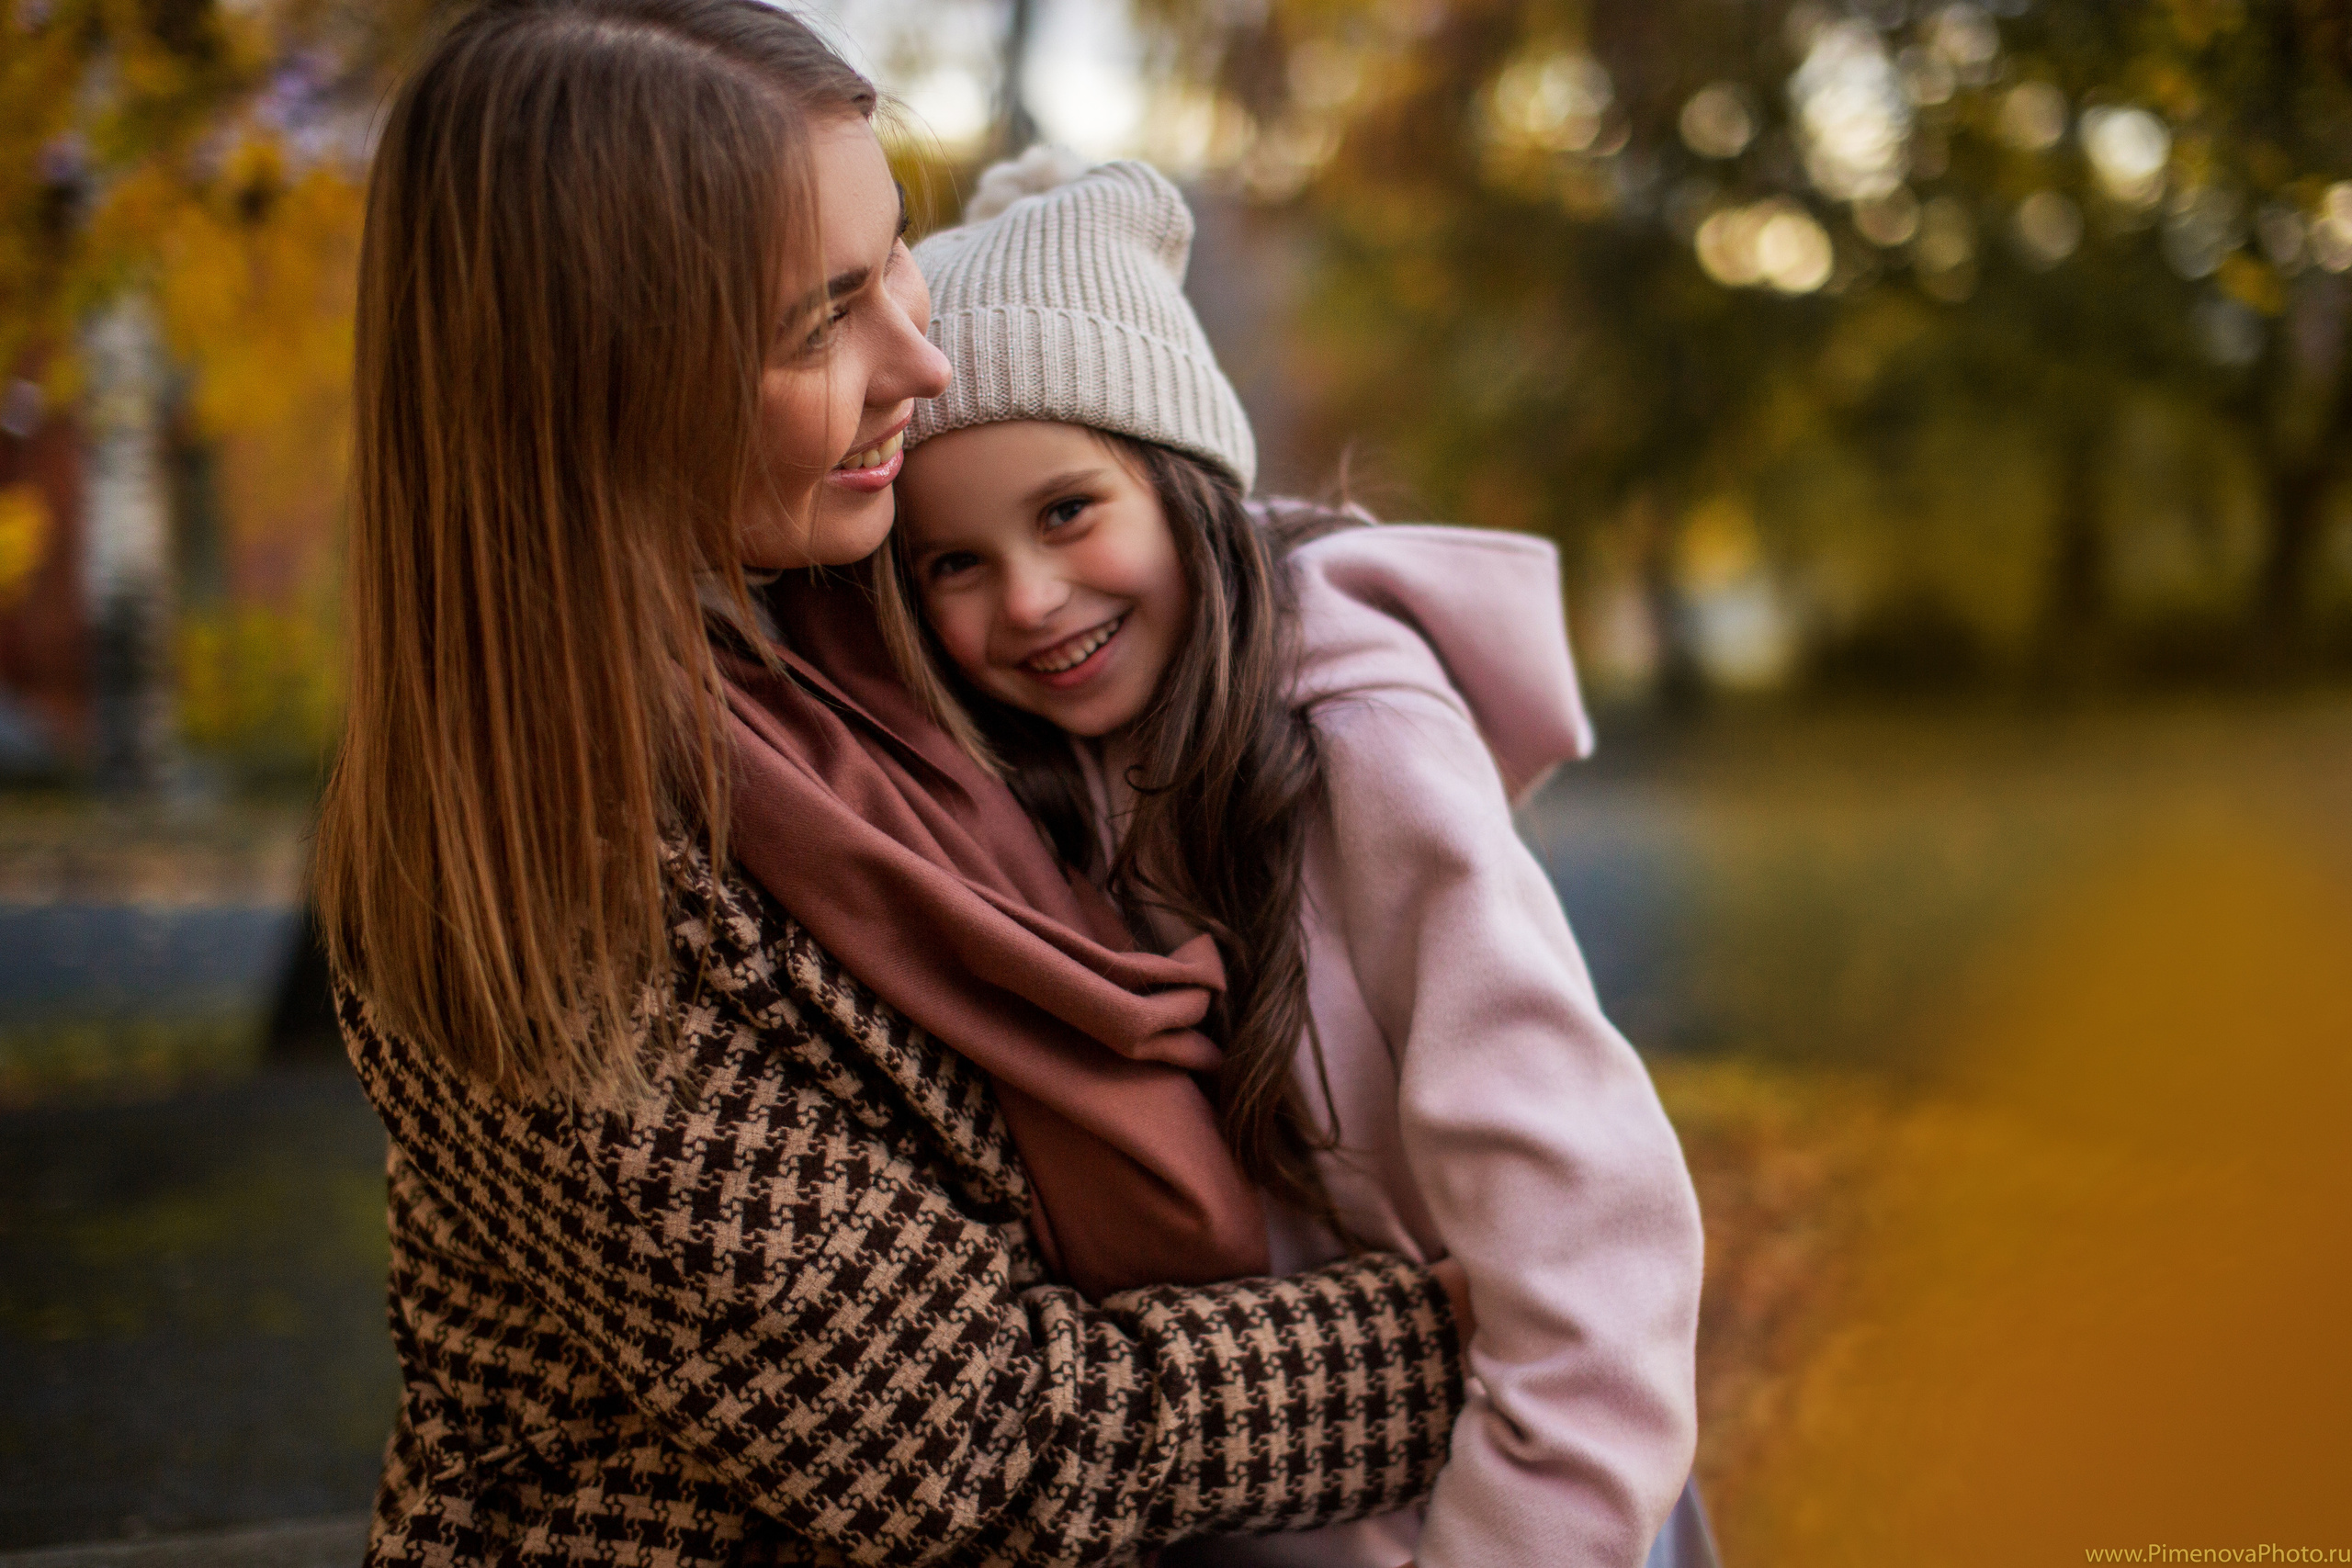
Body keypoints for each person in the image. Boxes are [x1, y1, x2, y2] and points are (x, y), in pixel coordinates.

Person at [311, 5, 1476, 1563]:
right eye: (819, 324)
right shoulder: (531, 883)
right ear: (602, 393)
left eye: (898, 256)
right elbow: (964, 1447)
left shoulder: (860, 623)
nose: (921, 358)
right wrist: (1494, 1330)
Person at [879, 154, 1712, 1568]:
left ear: (1183, 480)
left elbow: (1587, 1224)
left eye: (1069, 511)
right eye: (952, 563)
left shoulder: (1360, 741)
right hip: (1258, 1502)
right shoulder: (1021, 782)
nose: (1028, 599)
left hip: (1505, 1509)